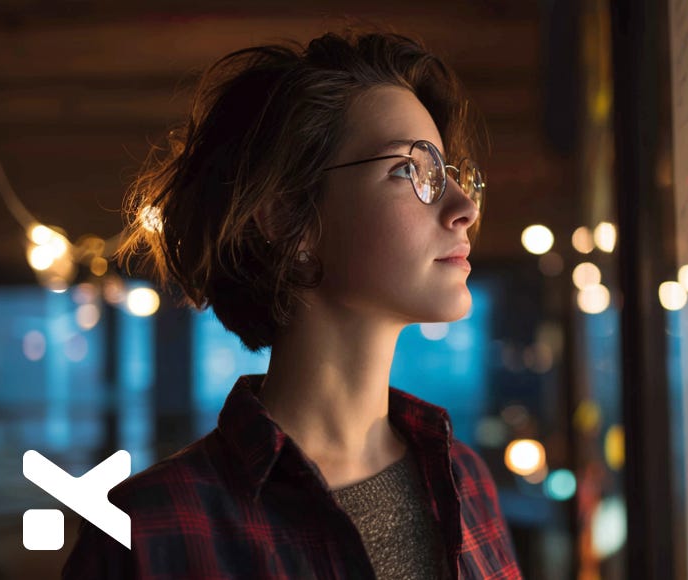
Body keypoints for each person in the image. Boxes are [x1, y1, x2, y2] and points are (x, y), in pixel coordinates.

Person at [62, 29, 521, 579]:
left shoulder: (464, 480)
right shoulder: (150, 530)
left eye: (450, 173)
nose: (463, 205)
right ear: (286, 219)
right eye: (408, 170)